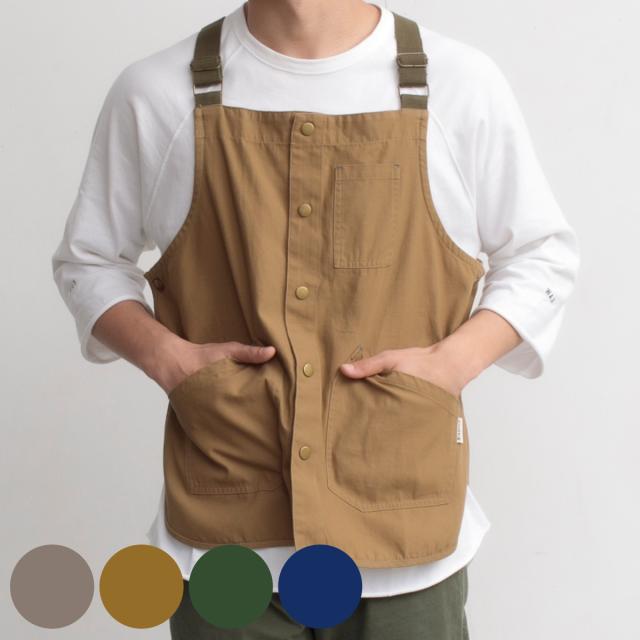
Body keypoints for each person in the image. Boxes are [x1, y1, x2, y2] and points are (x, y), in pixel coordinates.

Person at [51, 1, 580, 638]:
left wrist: (451, 364)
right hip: (224, 542)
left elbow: (541, 255)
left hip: (404, 536)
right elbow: (87, 261)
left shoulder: (458, 84)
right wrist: (170, 361)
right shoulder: (157, 92)